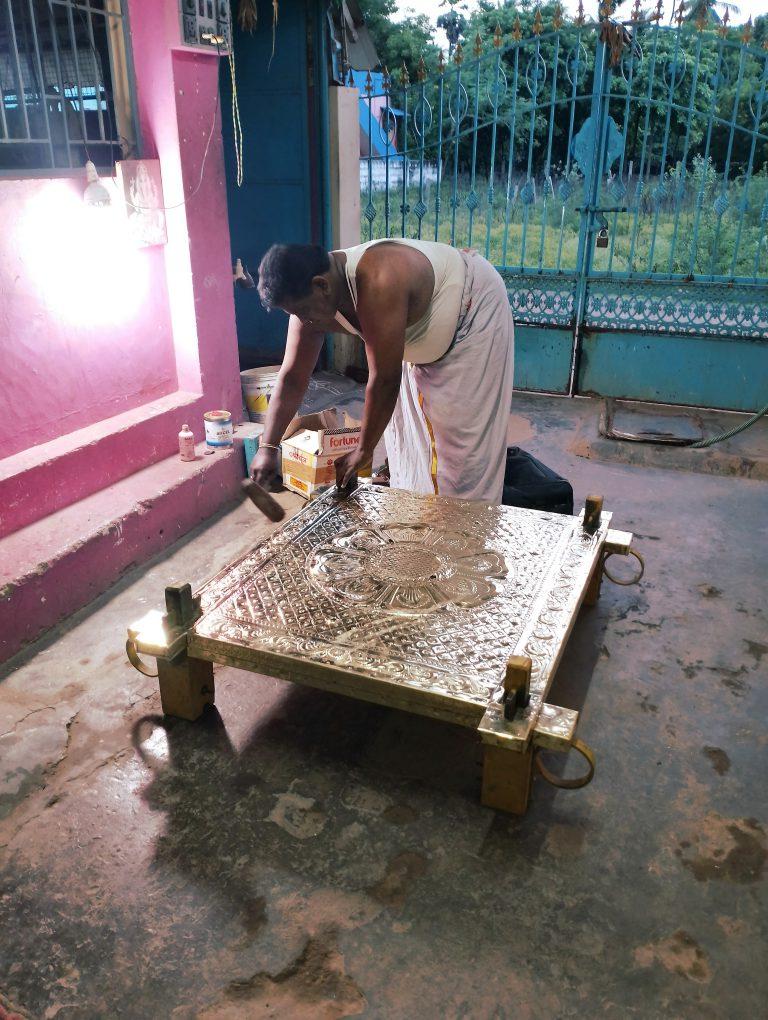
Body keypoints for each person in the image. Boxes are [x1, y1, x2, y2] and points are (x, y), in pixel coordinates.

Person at [251, 238, 514, 503]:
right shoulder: (308, 300)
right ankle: (425, 519)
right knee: (408, 445)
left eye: (303, 311)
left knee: (461, 456)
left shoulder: (379, 279)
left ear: (322, 285)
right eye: (293, 314)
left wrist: (363, 451)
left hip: (472, 312)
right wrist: (268, 446)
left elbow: (385, 380)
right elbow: (293, 378)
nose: (303, 320)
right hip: (419, 335)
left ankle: (466, 534)